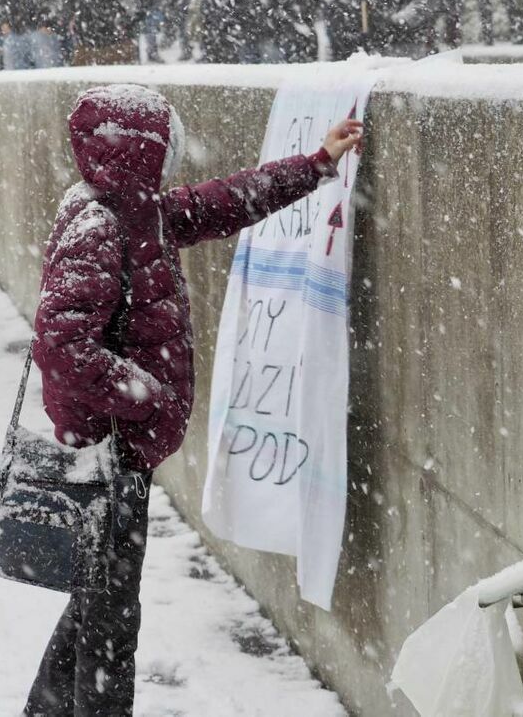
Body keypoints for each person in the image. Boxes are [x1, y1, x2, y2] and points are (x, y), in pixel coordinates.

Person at [23, 83, 363, 717]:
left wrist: (317, 164)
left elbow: (224, 203)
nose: (175, 157)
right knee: (110, 620)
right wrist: (143, 397)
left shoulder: (139, 215)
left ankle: (46, 710)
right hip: (106, 454)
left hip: (120, 451)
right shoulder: (97, 224)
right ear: (138, 153)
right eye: (166, 146)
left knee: (98, 601)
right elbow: (63, 346)